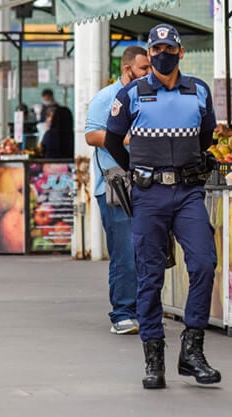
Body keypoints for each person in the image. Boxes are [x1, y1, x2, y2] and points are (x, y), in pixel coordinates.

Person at [105, 24, 221, 390]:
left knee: (204, 262)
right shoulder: (132, 94)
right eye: (155, 49)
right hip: (149, 194)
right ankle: (153, 357)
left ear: (180, 52)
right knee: (150, 274)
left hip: (188, 192)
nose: (161, 54)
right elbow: (111, 140)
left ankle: (192, 350)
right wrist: (140, 171)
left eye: (168, 48)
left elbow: (206, 137)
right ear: (149, 53)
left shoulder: (198, 91)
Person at [85, 45, 151, 336]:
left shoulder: (150, 96)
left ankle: (143, 310)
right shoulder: (106, 98)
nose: (150, 73)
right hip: (115, 185)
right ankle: (122, 313)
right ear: (128, 70)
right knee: (124, 252)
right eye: (144, 69)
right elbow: (92, 134)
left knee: (145, 252)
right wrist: (128, 139)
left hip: (147, 183)